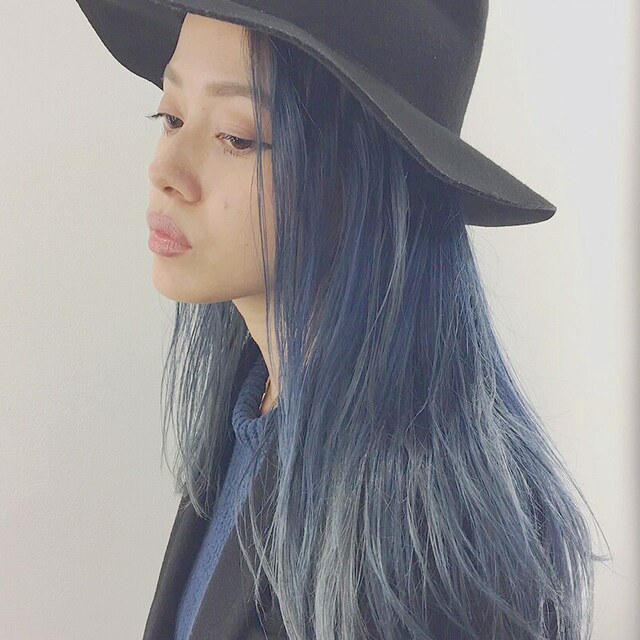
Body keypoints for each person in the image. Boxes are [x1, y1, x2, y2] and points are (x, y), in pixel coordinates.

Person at [74, 2, 609, 639]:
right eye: (172, 116)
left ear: (364, 177)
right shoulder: (252, 411)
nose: (165, 171)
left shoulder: (429, 548)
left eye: (236, 137)